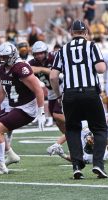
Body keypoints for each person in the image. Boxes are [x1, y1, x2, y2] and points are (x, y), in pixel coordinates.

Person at [50, 20, 107, 179]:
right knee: (100, 129)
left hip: (70, 94)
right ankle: (97, 164)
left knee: (73, 130)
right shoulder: (92, 46)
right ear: (86, 32)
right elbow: (101, 69)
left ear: (71, 33)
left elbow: (53, 76)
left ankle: (76, 166)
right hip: (90, 93)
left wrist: (59, 95)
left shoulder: (62, 50)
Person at [0, 42, 45, 175]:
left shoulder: (20, 68)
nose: (1, 59)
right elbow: (2, 91)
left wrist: (41, 112)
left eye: (4, 57)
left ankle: (0, 165)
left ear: (12, 56)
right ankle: (10, 155)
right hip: (12, 105)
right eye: (0, 57)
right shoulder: (2, 69)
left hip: (26, 108)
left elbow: (38, 89)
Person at [29, 41, 67, 156]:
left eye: (41, 53)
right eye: (37, 53)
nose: (39, 55)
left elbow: (58, 73)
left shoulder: (54, 57)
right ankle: (74, 140)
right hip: (51, 91)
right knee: (58, 122)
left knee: (57, 114)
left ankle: (80, 127)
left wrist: (40, 69)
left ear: (46, 52)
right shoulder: (31, 63)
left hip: (62, 86)